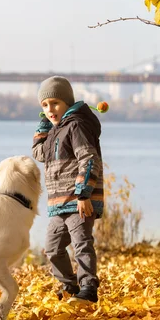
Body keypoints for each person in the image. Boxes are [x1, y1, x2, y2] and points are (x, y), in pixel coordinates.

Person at [31, 76, 103, 303]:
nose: (50, 109)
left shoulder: (76, 126)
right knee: (52, 249)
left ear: (67, 102)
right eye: (44, 106)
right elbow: (39, 154)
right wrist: (44, 125)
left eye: (55, 103)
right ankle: (69, 285)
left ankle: (88, 289)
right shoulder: (55, 130)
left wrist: (84, 194)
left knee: (82, 245)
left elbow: (89, 159)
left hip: (80, 200)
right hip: (58, 203)